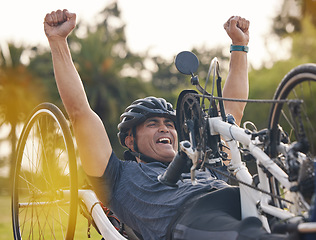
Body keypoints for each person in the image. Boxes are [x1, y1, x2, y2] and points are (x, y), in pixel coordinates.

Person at [44, 9, 289, 240]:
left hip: (243, 200)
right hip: (190, 218)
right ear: (131, 141)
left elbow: (230, 113)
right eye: (152, 124)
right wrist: (58, 41)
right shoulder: (116, 177)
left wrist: (240, 45)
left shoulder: (202, 161)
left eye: (169, 125)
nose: (165, 129)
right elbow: (79, 112)